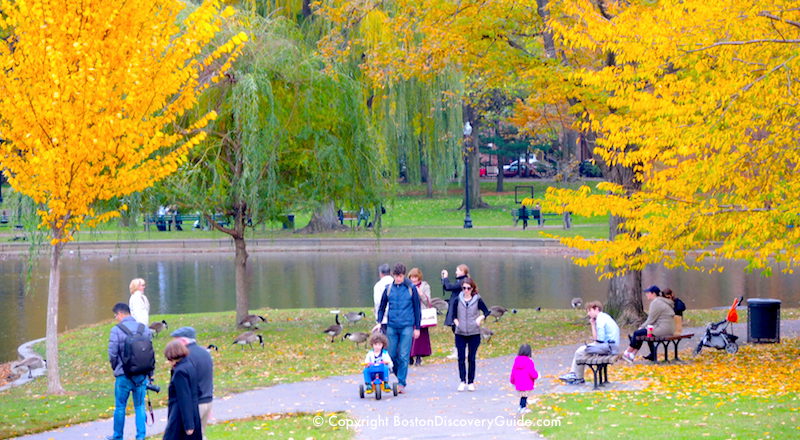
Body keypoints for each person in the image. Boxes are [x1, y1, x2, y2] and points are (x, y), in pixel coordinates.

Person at [372, 263, 421, 394]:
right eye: (396, 276)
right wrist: (379, 321)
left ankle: (401, 382)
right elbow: (382, 307)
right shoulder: (388, 289)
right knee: (391, 354)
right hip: (392, 325)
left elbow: (417, 309)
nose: (398, 279)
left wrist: (417, 327)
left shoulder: (411, 288)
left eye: (400, 276)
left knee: (404, 355)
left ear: (404, 275)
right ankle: (398, 374)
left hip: (407, 326)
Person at [107, 303, 152, 440]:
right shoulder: (144, 328)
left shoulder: (116, 330)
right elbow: (150, 353)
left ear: (120, 314)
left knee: (120, 407)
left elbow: (112, 354)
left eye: (116, 315)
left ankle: (118, 436)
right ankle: (141, 436)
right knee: (139, 406)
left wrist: (116, 368)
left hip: (123, 375)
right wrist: (149, 374)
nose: (116, 318)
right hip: (141, 374)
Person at [558, 301, 620, 385]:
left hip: (608, 348)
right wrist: (593, 324)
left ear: (596, 309)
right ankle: (576, 376)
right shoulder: (605, 317)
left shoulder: (601, 319)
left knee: (580, 351)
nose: (588, 314)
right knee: (584, 351)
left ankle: (576, 376)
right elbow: (598, 340)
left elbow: (599, 339)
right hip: (612, 347)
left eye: (589, 311)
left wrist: (593, 327)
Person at [445, 278, 490, 391]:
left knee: (471, 358)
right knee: (461, 358)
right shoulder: (457, 300)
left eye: (468, 288)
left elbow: (486, 311)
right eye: (464, 288)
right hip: (460, 333)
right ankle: (462, 381)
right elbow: (453, 315)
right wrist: (457, 323)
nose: (466, 290)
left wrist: (480, 318)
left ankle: (470, 381)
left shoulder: (477, 300)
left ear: (472, 289)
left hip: (474, 333)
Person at [171, 327, 214, 440]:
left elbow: (185, 388)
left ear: (184, 341)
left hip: (193, 405)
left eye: (176, 341)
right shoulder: (205, 353)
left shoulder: (186, 358)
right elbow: (208, 378)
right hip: (207, 401)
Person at [622, 285, 675, 363]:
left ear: (653, 294)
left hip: (663, 330)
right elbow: (654, 320)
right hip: (668, 329)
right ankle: (632, 355)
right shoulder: (660, 301)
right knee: (642, 333)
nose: (646, 294)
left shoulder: (656, 302)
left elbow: (651, 320)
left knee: (638, 333)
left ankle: (627, 353)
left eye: (648, 292)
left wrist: (641, 327)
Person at [163, 340, 202, 440]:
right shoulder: (189, 365)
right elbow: (197, 390)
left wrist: (188, 424)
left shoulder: (179, 372)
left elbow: (184, 397)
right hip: (193, 411)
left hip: (180, 414)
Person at [441, 264, 470, 359]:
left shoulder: (463, 282)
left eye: (457, 270)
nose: (456, 272)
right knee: (455, 329)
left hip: (458, 308)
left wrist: (446, 278)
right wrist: (444, 280)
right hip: (455, 306)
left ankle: (461, 350)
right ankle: (460, 349)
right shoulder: (460, 281)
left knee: (457, 329)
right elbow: (448, 287)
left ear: (462, 272)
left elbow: (449, 287)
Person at [408, 268, 432, 366]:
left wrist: (420, 293)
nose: (413, 279)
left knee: (420, 336)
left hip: (422, 314)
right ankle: (410, 356)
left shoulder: (425, 286)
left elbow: (428, 302)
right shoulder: (407, 286)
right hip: (410, 313)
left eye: (415, 277)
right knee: (409, 334)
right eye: (412, 277)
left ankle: (418, 356)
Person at [509, 344, 539, 415]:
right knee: (525, 396)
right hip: (527, 382)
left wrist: (512, 381)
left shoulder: (516, 361)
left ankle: (521, 406)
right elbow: (532, 372)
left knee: (522, 396)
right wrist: (536, 376)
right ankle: (523, 407)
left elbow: (513, 372)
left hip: (519, 383)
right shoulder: (529, 361)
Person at [373, 263, 393, 333]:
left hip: (384, 319)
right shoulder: (396, 283)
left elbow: (378, 303)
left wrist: (378, 318)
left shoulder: (378, 286)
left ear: (380, 273)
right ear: (390, 273)